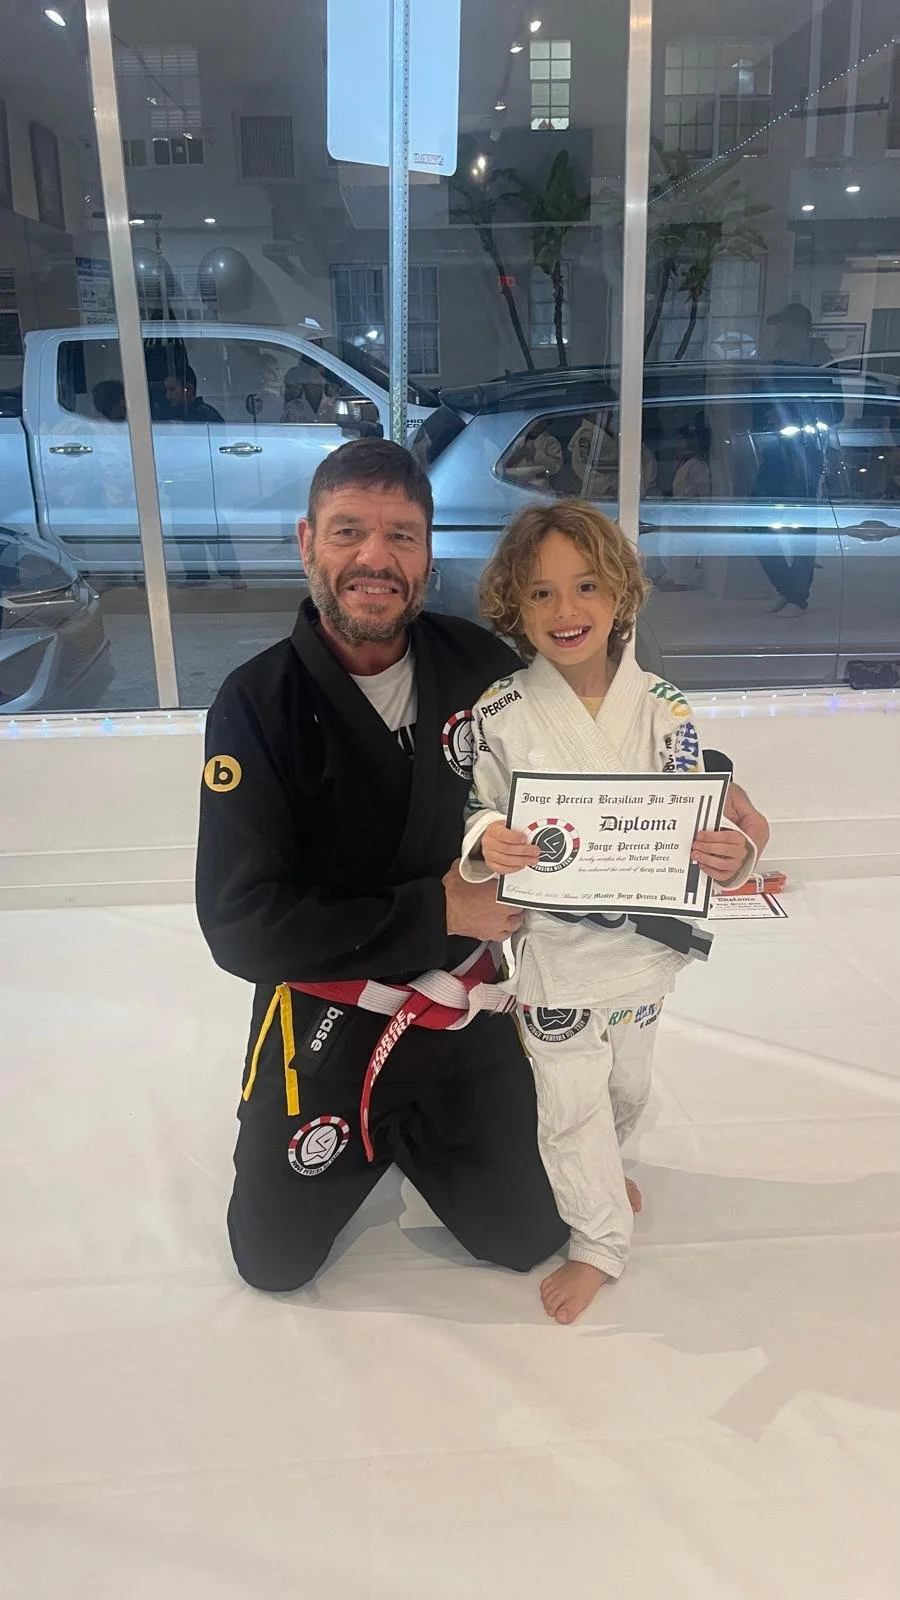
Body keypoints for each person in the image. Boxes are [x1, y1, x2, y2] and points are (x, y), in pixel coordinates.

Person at [196, 440, 770, 1295]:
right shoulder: (256, 704)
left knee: (530, 1233)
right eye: (349, 531)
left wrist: (712, 797)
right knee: (273, 1265)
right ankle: (377, 1136)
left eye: (402, 536)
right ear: (306, 541)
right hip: (332, 1025)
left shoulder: (480, 669)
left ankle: (430, 1132)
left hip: (465, 1011)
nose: (375, 558)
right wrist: (439, 913)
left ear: (428, 554)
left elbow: (597, 720)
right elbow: (240, 924)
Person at [461, 499, 758, 1325]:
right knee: (570, 1101)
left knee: (627, 1088)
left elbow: (707, 818)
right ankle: (597, 1238)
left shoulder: (664, 704)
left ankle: (601, 1164)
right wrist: (490, 840)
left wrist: (736, 853)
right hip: (554, 954)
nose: (567, 611)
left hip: (641, 954)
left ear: (622, 594)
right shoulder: (500, 712)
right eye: (542, 593)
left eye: (586, 586)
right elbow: (474, 806)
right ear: (514, 609)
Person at [767, 303, 832, 367]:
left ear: (805, 328)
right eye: (783, 323)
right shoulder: (779, 344)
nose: (784, 328)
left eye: (790, 324)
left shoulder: (818, 347)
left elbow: (826, 371)